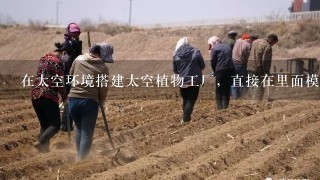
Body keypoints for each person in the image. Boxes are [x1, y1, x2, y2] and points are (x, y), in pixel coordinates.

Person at [68, 43, 113, 160]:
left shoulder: (78, 59)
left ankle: (79, 156)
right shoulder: (103, 67)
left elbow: (71, 75)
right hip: (89, 101)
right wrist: (102, 100)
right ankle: (82, 160)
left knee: (79, 128)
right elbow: (103, 87)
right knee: (86, 132)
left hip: (73, 99)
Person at [31, 43, 68, 153]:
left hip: (35, 94)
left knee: (45, 125)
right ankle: (40, 141)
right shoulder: (58, 62)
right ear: (63, 53)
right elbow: (59, 82)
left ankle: (44, 151)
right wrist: (64, 96)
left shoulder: (43, 59)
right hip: (48, 95)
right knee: (55, 125)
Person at [173, 37, 205, 124]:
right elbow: (202, 65)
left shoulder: (176, 54)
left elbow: (175, 70)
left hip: (182, 80)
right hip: (194, 79)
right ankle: (185, 119)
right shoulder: (195, 51)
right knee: (191, 100)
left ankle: (186, 118)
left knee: (186, 100)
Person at [60, 23, 83, 132]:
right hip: (70, 76)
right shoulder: (71, 44)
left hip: (68, 75)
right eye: (74, 33)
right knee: (71, 98)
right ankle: (66, 123)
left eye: (77, 33)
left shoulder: (69, 44)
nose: (76, 35)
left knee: (70, 99)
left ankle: (67, 122)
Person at [247, 34, 278, 102]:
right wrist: (267, 73)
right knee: (259, 88)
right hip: (258, 69)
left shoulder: (255, 41)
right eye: (274, 43)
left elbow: (249, 52)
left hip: (250, 67)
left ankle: (252, 102)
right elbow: (265, 62)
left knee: (252, 86)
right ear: (271, 40)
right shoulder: (267, 46)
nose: (273, 45)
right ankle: (256, 105)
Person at [209, 36, 235, 110]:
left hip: (220, 71)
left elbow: (212, 61)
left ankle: (220, 108)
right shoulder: (227, 47)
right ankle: (225, 106)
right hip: (230, 70)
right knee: (227, 89)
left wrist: (215, 71)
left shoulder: (214, 48)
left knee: (219, 89)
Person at [231, 34, 258, 99]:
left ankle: (235, 97)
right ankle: (243, 95)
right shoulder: (248, 45)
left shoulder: (238, 41)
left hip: (233, 64)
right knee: (246, 81)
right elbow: (249, 58)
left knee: (235, 81)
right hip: (241, 65)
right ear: (252, 40)